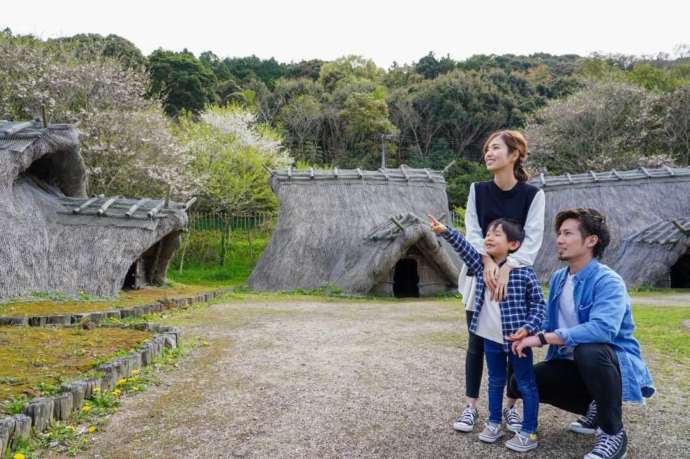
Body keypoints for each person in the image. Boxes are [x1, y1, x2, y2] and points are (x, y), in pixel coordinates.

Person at [508, 208, 655, 459]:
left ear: (591, 240)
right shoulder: (558, 278)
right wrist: (527, 331)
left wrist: (542, 338)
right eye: (559, 233)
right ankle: (595, 408)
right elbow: (548, 319)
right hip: (574, 365)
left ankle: (612, 433)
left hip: (610, 364)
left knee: (590, 349)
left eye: (567, 233)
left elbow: (602, 329)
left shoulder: (608, 281)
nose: (559, 239)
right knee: (527, 381)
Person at [453, 130, 545, 434]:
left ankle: (509, 408)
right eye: (487, 150)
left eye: (495, 148)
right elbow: (473, 231)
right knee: (476, 343)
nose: (488, 154)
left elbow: (532, 239)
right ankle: (470, 407)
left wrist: (508, 267)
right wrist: (489, 262)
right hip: (479, 275)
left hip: (514, 280)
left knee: (512, 344)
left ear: (514, 154)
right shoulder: (477, 190)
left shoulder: (532, 195)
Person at [430, 216, 546, 453]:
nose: (489, 237)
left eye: (496, 234)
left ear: (513, 244)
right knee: (495, 381)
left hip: (517, 340)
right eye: (488, 234)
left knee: (525, 382)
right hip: (489, 337)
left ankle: (529, 430)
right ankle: (494, 423)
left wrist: (529, 328)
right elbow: (465, 249)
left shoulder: (524, 273)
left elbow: (538, 304)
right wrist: (446, 231)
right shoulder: (481, 266)